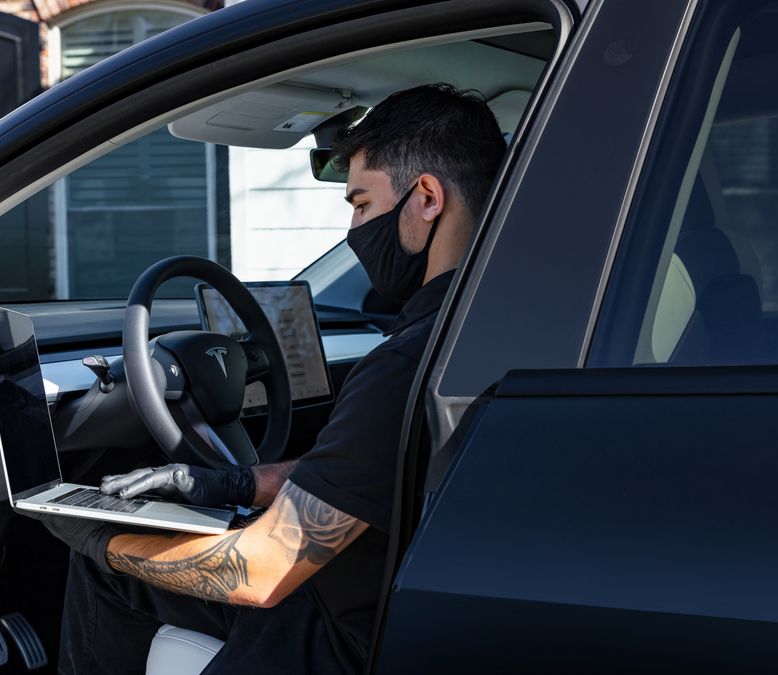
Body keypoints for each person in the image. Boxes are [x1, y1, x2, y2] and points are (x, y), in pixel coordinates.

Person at [40, 83, 507, 675]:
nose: (355, 230)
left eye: (361, 205)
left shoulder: (406, 365)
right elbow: (373, 474)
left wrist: (99, 539)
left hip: (341, 638)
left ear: (428, 198)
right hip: (405, 608)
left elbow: (259, 573)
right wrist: (232, 485)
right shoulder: (492, 328)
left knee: (103, 573)